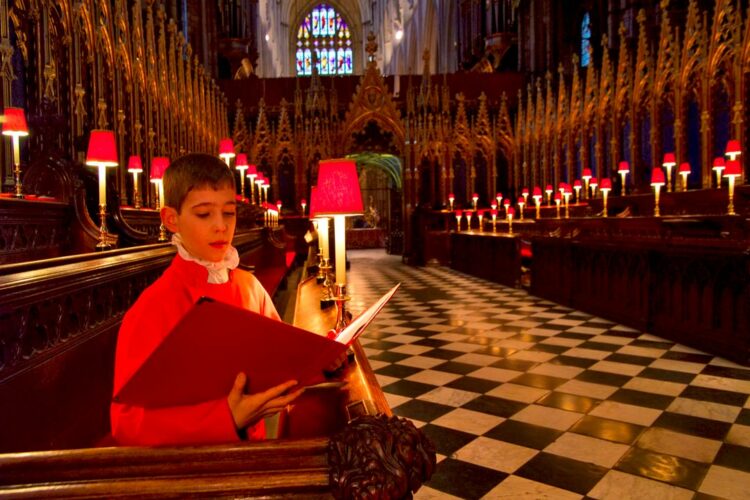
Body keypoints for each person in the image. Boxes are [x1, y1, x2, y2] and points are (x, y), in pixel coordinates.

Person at [110, 153, 303, 446]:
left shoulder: (250, 286)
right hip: (195, 470)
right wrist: (226, 417)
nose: (221, 226)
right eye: (203, 214)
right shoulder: (151, 308)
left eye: (229, 213)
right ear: (171, 219)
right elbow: (127, 423)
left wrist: (325, 359)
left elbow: (284, 357)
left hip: (256, 457)